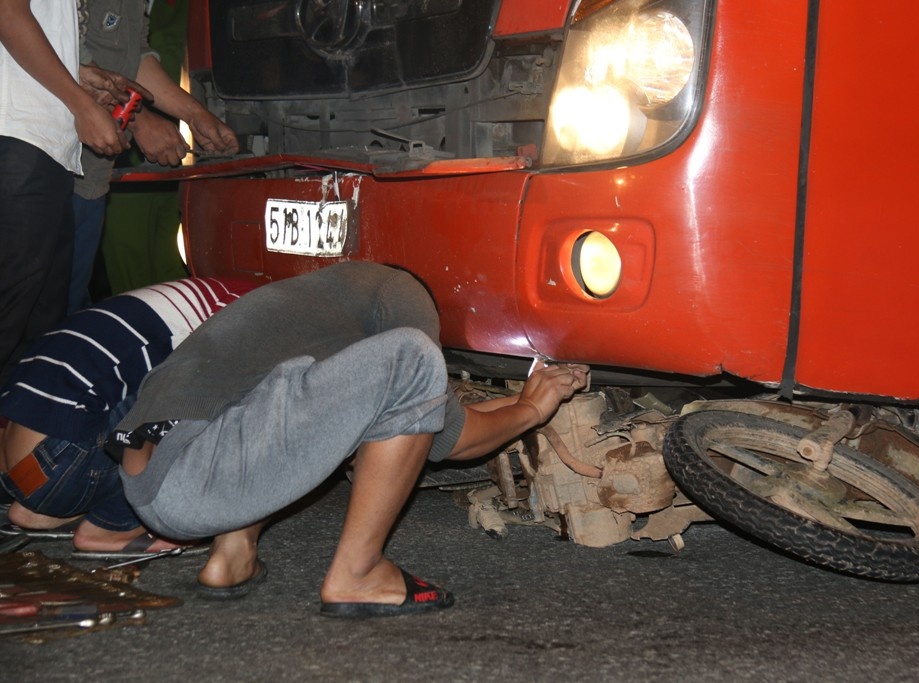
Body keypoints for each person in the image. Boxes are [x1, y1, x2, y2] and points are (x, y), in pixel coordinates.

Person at [110, 261, 589, 616]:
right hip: (202, 471)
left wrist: (516, 402)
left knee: (277, 390)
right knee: (413, 358)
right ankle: (358, 573)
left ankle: (232, 556)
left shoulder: (311, 303)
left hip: (153, 481)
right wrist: (530, 409)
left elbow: (430, 421)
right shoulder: (396, 288)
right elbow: (449, 437)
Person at [0, 277, 255, 556]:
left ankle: (41, 504)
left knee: (131, 379)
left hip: (15, 459)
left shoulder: (217, 293)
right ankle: (109, 526)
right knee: (220, 405)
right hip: (61, 462)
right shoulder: (255, 317)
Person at [68, 0, 239, 312]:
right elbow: (64, 48)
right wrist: (141, 119)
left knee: (70, 303)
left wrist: (195, 114)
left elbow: (132, 56)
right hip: (52, 166)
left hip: (91, 172)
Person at [0, 0, 134, 387]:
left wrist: (77, 75)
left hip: (44, 151)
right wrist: (79, 103)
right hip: (17, 141)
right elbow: (8, 12)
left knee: (35, 343)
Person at [102, 0, 192, 296]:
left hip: (180, 153)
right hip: (126, 146)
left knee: (174, 264)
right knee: (131, 262)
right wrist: (139, 120)